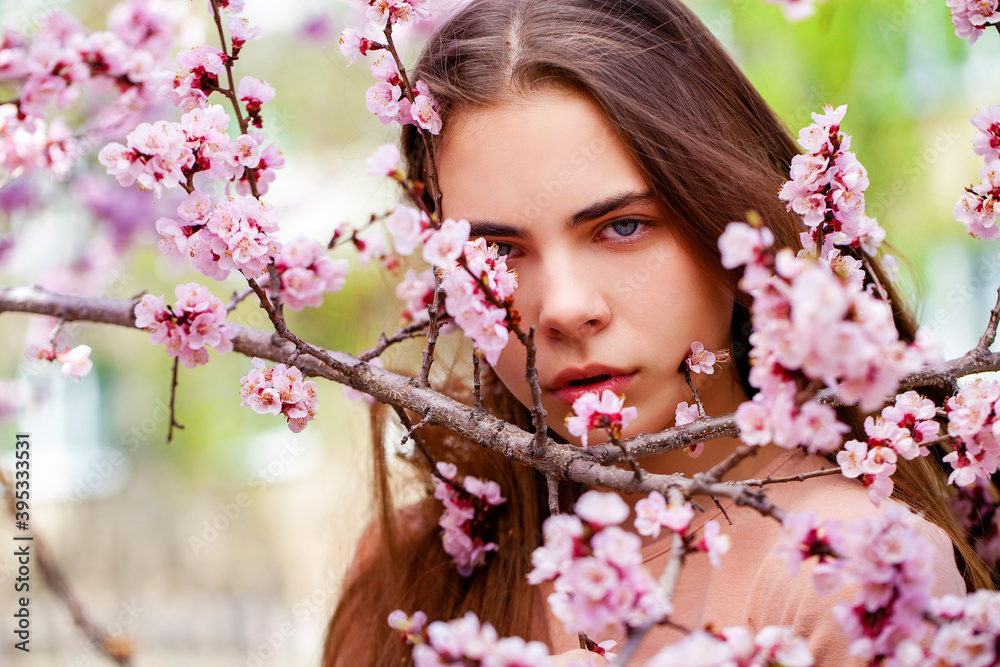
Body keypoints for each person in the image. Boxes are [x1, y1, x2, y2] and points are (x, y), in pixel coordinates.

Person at [324, 0, 994, 664]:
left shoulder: (845, 570)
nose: (564, 307)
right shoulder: (411, 569)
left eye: (622, 226)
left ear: (726, 218)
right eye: (497, 250)